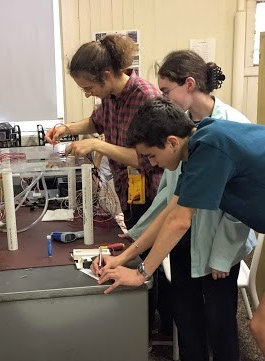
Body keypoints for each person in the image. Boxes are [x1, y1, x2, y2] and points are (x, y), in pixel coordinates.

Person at [96, 97, 265, 361]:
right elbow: (170, 212)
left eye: (151, 156)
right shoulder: (203, 140)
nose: (151, 164)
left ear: (171, 142)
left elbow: (180, 221)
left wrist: (141, 273)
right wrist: (122, 257)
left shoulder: (209, 148)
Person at [119, 50, 255, 360]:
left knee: (220, 324)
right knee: (187, 318)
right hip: (183, 236)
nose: (162, 96)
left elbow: (240, 204)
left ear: (189, 84)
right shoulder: (177, 128)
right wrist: (136, 237)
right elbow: (170, 196)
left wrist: (222, 254)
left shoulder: (232, 126)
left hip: (219, 242)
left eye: (166, 90)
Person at [44, 33, 166, 345]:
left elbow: (145, 159)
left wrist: (99, 145)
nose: (87, 94)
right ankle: (146, 319)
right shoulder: (110, 97)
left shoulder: (146, 98)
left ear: (107, 76)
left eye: (88, 88)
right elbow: (96, 121)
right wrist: (67, 129)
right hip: (130, 193)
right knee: (136, 250)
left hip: (152, 195)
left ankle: (151, 329)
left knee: (147, 259)